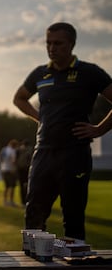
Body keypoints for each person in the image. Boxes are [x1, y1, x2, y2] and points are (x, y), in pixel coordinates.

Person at [13, 22, 112, 241]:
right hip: (43, 153)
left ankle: (75, 261)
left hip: (75, 154)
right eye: (48, 43)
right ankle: (32, 261)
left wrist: (99, 129)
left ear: (72, 44)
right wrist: (40, 118)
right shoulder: (40, 73)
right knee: (34, 214)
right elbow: (18, 98)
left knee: (73, 217)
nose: (52, 48)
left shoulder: (89, 72)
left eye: (58, 43)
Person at [0, 139, 19, 207]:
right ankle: (11, 201)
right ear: (14, 145)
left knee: (6, 186)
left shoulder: (4, 149)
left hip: (4, 169)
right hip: (11, 170)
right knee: (12, 186)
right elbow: (13, 161)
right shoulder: (13, 150)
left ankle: (5, 201)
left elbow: (1, 158)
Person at [15, 139, 33, 207]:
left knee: (21, 186)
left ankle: (22, 202)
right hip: (28, 169)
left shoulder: (18, 150)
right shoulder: (30, 149)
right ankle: (28, 201)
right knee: (28, 186)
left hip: (20, 170)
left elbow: (15, 160)